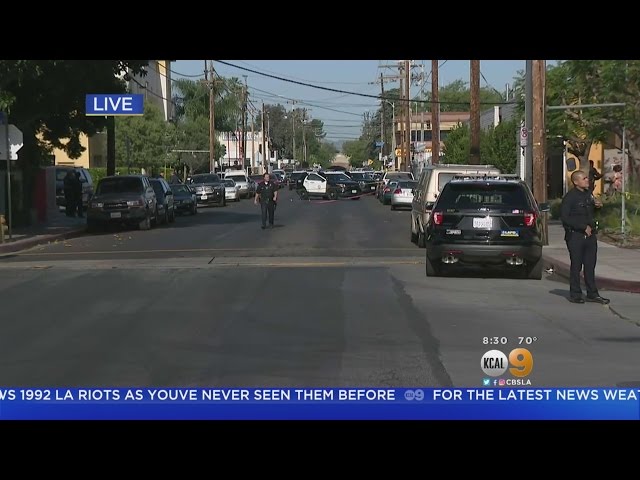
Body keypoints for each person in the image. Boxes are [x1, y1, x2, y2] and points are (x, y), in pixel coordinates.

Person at [560, 170, 609, 304]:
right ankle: (575, 294)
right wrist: (582, 227)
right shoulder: (570, 197)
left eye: (587, 178)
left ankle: (592, 293)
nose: (587, 180)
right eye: (584, 178)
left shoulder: (588, 194)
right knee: (576, 265)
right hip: (575, 236)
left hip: (590, 236)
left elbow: (591, 212)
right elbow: (565, 218)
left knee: (590, 265)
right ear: (576, 182)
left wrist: (598, 207)